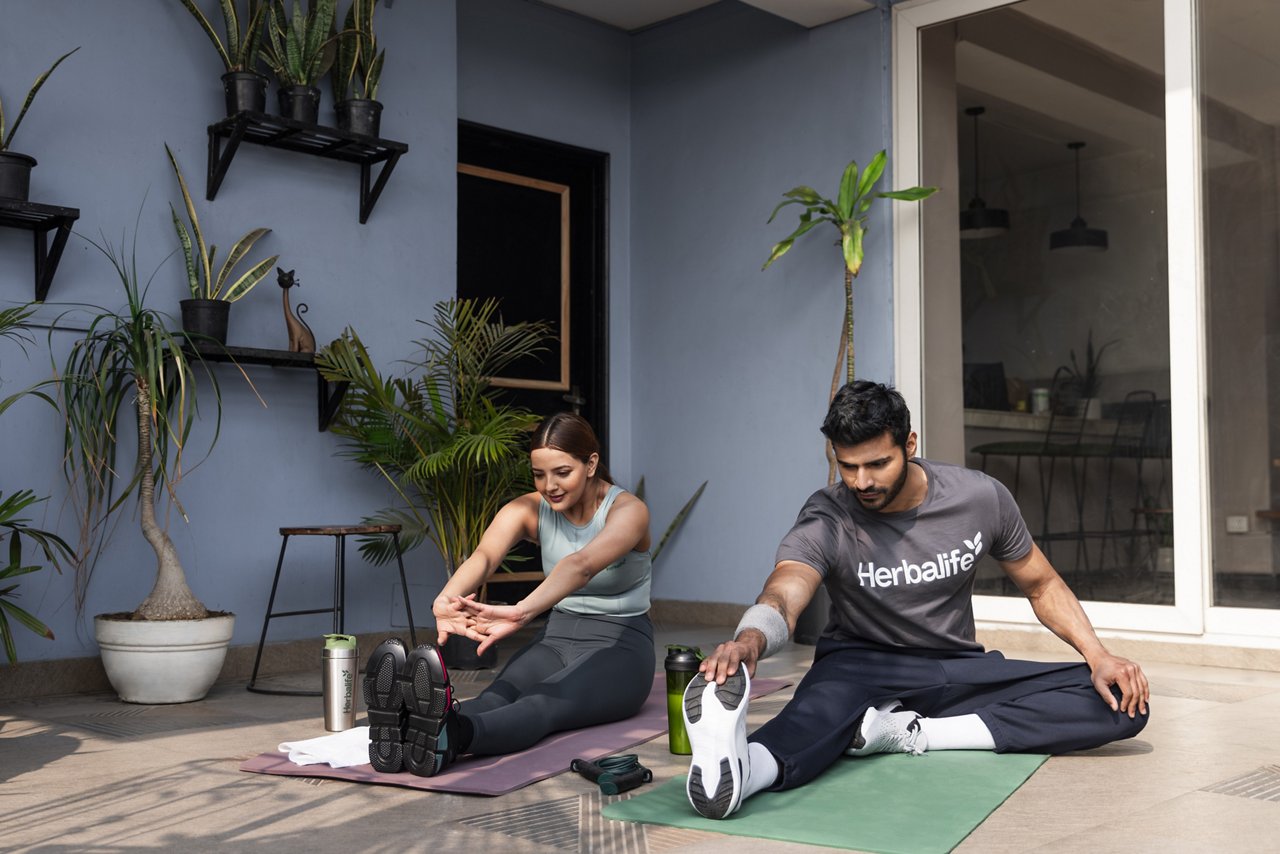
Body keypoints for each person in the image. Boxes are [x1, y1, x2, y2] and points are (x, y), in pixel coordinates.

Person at [683, 380, 1150, 819]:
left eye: (876, 464)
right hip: (860, 664)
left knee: (1121, 702)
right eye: (848, 467)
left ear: (909, 444)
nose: (862, 482)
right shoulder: (828, 516)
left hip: (955, 666)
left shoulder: (979, 498)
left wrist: (1098, 655)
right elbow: (786, 591)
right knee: (815, 717)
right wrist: (749, 641)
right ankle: (745, 771)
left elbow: (1042, 585)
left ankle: (909, 731)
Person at [362, 412, 655, 776]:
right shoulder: (529, 508)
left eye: (562, 472)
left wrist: (521, 611)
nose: (550, 486)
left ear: (591, 464)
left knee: (542, 703)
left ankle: (452, 738)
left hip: (621, 648)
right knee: (495, 697)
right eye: (539, 474)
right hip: (557, 639)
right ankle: (405, 728)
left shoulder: (629, 511)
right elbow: (485, 556)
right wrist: (445, 598)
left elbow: (580, 565)